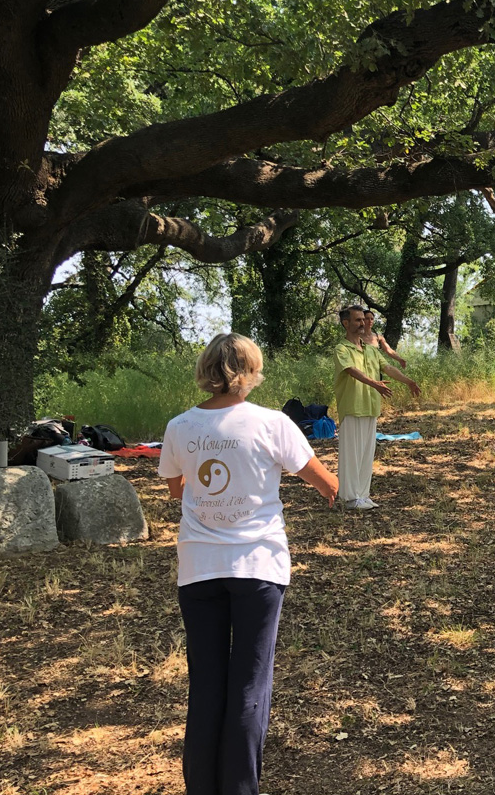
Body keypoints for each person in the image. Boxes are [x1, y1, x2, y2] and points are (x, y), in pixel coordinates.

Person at [159, 333, 338, 795]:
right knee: (249, 686)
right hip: (258, 565)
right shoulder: (272, 422)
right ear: (249, 372)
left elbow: (178, 491)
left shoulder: (180, 426)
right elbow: (325, 484)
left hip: (198, 567)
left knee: (207, 684)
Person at [334, 304, 420, 510]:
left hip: (370, 407)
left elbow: (387, 367)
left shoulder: (371, 350)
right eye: (357, 320)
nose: (363, 323)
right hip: (352, 406)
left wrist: (408, 381)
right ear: (346, 323)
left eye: (363, 319)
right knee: (351, 454)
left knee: (366, 453)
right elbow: (351, 370)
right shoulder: (341, 349)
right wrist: (374, 383)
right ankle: (349, 497)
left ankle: (363, 495)